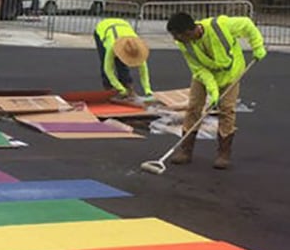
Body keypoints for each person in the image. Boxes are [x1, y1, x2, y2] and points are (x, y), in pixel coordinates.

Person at [166, 12, 267, 169]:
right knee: (193, 107)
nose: (175, 39)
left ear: (187, 32)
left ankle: (223, 154)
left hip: (230, 73)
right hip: (204, 74)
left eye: (177, 35)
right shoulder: (184, 44)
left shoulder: (220, 25)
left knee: (226, 109)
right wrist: (213, 91)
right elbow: (199, 69)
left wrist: (257, 45)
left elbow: (247, 24)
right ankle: (185, 151)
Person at [94, 18, 153, 99]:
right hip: (103, 28)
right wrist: (121, 89)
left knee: (122, 63)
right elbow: (108, 70)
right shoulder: (111, 46)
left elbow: (143, 71)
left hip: (121, 26)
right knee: (105, 61)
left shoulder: (136, 46)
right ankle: (109, 89)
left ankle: (128, 87)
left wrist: (148, 90)